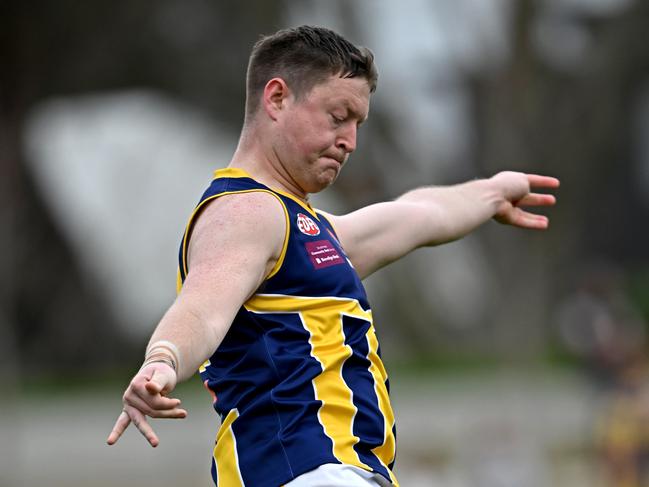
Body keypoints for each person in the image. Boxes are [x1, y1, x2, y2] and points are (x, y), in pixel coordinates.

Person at [106, 25, 559, 487]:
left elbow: (416, 215)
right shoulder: (247, 212)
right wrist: (161, 360)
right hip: (307, 471)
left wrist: (489, 192)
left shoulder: (308, 231)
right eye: (338, 116)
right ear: (277, 98)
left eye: (357, 125)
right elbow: (202, 309)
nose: (350, 142)